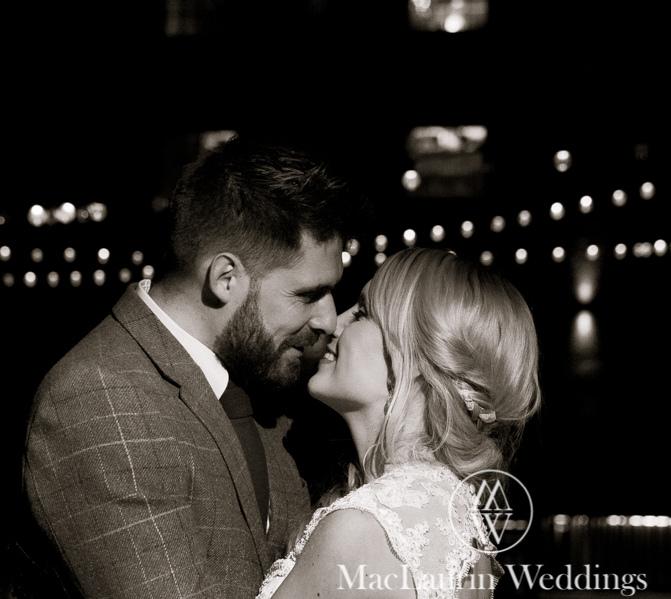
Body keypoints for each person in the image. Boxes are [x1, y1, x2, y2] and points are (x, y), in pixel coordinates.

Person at [22, 138, 363, 598]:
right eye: (308, 295)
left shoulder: (256, 377)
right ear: (225, 279)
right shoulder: (98, 398)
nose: (328, 318)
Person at [256, 247, 541, 599]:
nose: (334, 323)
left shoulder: (363, 527)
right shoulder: (458, 525)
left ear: (419, 356)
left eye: (362, 314)